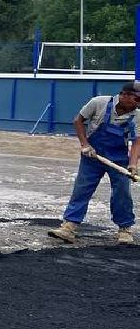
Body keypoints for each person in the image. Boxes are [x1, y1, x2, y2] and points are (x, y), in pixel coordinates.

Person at [47, 81, 140, 246]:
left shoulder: (137, 115)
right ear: (125, 95)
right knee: (82, 189)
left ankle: (124, 229)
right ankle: (69, 226)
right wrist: (85, 145)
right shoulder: (99, 103)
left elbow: (137, 141)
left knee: (122, 193)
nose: (138, 104)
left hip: (119, 158)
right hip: (92, 155)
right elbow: (78, 120)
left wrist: (133, 165)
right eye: (137, 99)